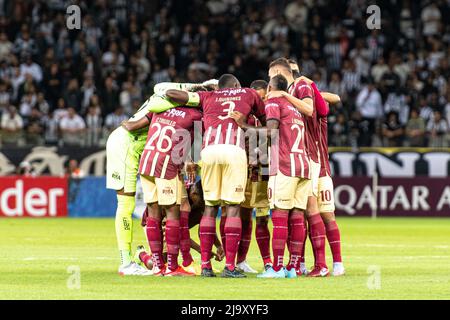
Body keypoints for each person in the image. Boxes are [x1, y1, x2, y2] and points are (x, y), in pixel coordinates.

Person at [163, 74, 266, 278]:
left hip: (209, 152)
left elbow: (170, 93)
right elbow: (266, 125)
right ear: (236, 85)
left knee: (210, 208)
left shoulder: (207, 97)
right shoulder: (249, 93)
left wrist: (198, 88)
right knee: (233, 208)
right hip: (233, 151)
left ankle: (205, 266)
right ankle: (229, 266)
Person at [267, 58, 329, 277]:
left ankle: (320, 264)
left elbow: (311, 109)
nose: (269, 81)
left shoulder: (299, 86)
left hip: (304, 155)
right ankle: (298, 264)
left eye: (270, 76)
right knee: (299, 212)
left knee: (309, 209)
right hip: (300, 156)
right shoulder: (295, 89)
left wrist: (283, 95)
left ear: (276, 73)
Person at [136, 93, 203, 276]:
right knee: (173, 211)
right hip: (165, 164)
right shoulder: (195, 115)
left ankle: (158, 266)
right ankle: (173, 267)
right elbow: (196, 152)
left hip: (146, 162)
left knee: (153, 212)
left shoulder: (161, 110)